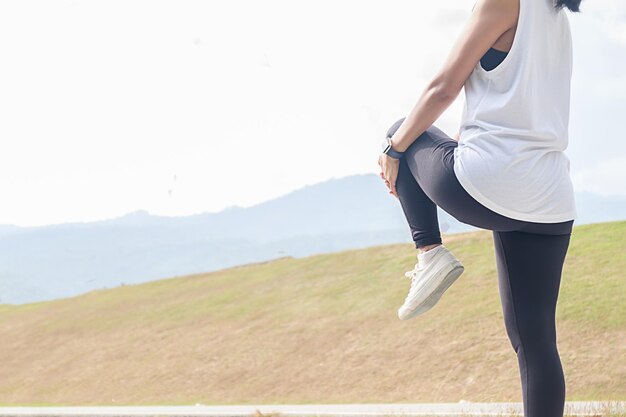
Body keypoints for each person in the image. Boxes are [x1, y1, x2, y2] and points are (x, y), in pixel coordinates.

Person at [377, 0, 583, 415]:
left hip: (490, 184)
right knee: (537, 343)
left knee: (401, 128)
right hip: (551, 200)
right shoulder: (556, 19)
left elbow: (442, 88)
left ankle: (429, 252)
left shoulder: (501, 2)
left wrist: (393, 150)